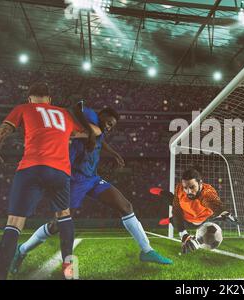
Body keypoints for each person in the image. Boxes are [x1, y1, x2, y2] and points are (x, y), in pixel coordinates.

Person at [10, 103, 172, 275]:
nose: (109, 127)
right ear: (100, 115)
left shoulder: (99, 131)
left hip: (92, 178)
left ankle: (147, 251)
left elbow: (100, 140)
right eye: (108, 122)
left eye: (112, 126)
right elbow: (75, 105)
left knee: (126, 206)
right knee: (57, 224)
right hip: (72, 179)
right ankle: (22, 250)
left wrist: (114, 153)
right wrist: (89, 132)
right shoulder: (89, 116)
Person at [0, 83, 99, 280]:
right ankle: (69, 270)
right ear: (49, 100)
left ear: (30, 99)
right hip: (59, 172)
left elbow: (3, 131)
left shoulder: (23, 108)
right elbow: (95, 131)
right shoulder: (64, 114)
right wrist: (79, 121)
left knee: (15, 223)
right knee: (64, 215)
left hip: (31, 168)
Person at [150, 168, 237, 254]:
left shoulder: (207, 193)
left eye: (192, 187)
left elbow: (214, 202)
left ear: (200, 184)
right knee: (173, 202)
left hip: (194, 219)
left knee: (176, 222)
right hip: (184, 209)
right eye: (186, 187)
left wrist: (224, 213)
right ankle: (161, 192)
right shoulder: (180, 187)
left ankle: (170, 220)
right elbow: (176, 210)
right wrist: (183, 234)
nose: (189, 191)